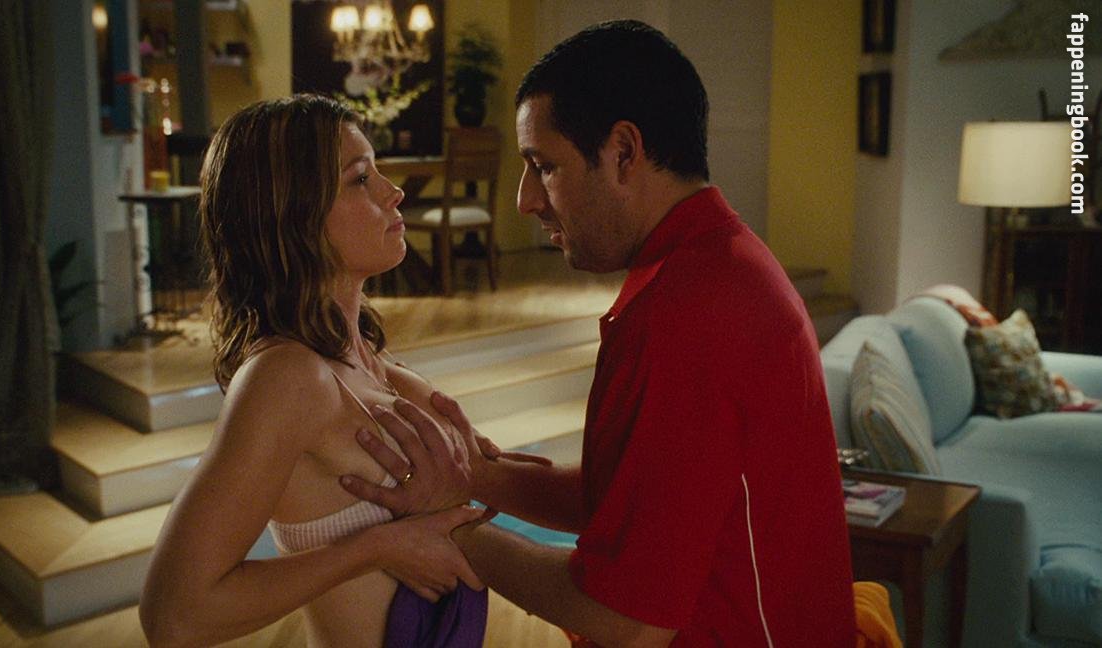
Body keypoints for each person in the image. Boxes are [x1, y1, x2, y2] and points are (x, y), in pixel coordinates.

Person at [343, 20, 856, 647]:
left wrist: (449, 531)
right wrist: (473, 475)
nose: (525, 200)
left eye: (544, 166)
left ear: (622, 152)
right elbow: (639, 500)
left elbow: (626, 623)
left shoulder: (689, 314)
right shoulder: (717, 261)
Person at [139, 94, 491, 648]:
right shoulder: (286, 377)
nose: (393, 191)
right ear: (293, 216)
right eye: (360, 179)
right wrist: (376, 548)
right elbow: (174, 616)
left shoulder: (370, 360)